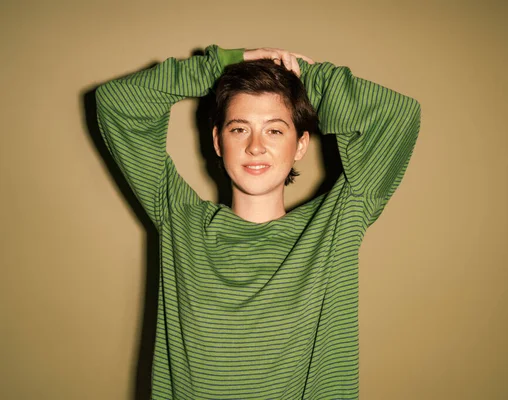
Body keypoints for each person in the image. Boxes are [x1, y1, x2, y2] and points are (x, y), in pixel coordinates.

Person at [96, 45, 421, 399]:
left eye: (275, 130)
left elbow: (398, 116)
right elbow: (118, 102)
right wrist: (222, 64)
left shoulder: (338, 222)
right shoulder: (181, 220)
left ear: (300, 144)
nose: (255, 146)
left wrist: (314, 79)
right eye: (239, 129)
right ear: (218, 141)